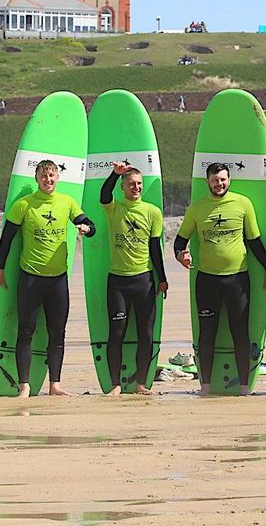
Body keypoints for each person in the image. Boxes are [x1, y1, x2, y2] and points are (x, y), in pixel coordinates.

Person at [0, 160, 96, 397]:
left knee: (57, 332)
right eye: (44, 176)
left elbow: (90, 225)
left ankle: (55, 385)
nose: (48, 180)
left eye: (52, 175)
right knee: (26, 331)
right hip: (31, 278)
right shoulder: (24, 205)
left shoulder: (67, 202)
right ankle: (24, 386)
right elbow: (6, 239)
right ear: (36, 179)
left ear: (57, 177)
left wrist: (86, 229)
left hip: (58, 280)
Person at [174, 163, 266, 395]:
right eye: (215, 180)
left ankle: (243, 388)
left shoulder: (243, 204)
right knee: (206, 333)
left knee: (240, 332)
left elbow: (254, 241)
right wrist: (181, 255)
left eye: (223, 179)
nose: (219, 184)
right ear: (207, 182)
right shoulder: (197, 208)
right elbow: (179, 241)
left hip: (237, 280)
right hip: (207, 281)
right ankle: (206, 387)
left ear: (229, 180)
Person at [100, 162, 169, 395]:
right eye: (131, 184)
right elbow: (103, 194)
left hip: (144, 281)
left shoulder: (152, 212)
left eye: (139, 184)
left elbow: (155, 248)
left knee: (145, 333)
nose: (136, 187)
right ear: (123, 187)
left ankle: (141, 383)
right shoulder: (114, 208)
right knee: (116, 333)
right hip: (118, 281)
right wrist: (114, 173)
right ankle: (115, 385)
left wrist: (162, 278)